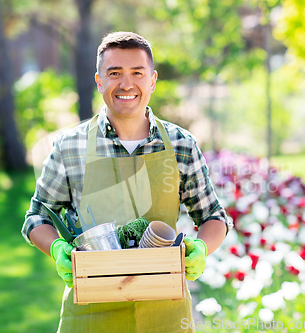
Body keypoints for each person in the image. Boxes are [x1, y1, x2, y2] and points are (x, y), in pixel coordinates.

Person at [22, 31, 233, 333]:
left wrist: (200, 247)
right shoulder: (70, 146)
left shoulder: (180, 143)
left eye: (137, 73)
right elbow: (37, 217)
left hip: (166, 314)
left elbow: (213, 216)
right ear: (98, 81)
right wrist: (57, 247)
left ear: (152, 80)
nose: (126, 84)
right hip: (91, 315)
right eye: (114, 73)